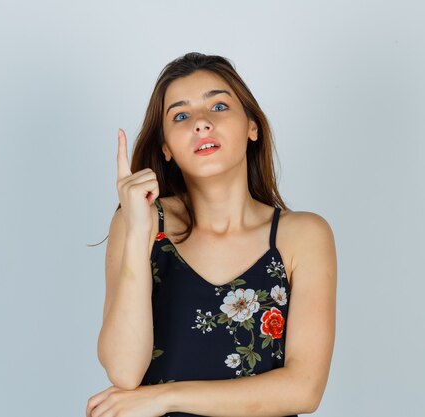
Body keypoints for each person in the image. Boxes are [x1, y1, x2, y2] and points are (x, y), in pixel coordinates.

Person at [86, 52, 336, 417]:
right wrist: (139, 235)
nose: (201, 124)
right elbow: (124, 371)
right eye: (181, 115)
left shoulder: (303, 236)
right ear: (166, 148)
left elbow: (304, 389)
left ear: (252, 126)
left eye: (218, 106)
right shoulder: (138, 222)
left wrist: (165, 397)